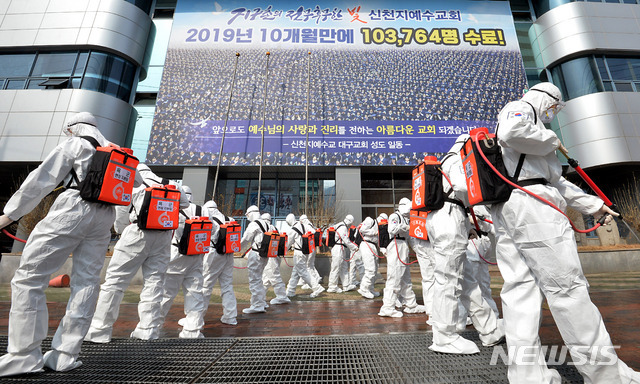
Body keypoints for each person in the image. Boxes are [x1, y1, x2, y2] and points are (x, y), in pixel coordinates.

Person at [492, 82, 639, 383]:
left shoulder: (532, 135)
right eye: (556, 108)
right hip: (533, 210)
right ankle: (605, 375)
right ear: (548, 99)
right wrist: (552, 138)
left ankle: (526, 375)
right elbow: (511, 132)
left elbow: (555, 182)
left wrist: (595, 205)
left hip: (516, 206)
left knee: (521, 291)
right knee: (568, 289)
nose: (553, 114)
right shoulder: (522, 109)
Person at [0, 112, 129, 375]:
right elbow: (132, 188)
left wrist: (10, 214)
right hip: (104, 215)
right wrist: (120, 227)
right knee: (87, 282)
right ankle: (65, 354)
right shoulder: (117, 154)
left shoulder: (75, 144)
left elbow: (40, 180)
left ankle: (24, 354)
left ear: (72, 128)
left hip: (73, 207)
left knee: (28, 278)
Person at [85, 164, 189, 342]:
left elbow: (121, 216)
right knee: (155, 282)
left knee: (115, 281)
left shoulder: (134, 185)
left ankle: (100, 330)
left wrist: (121, 231)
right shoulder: (173, 184)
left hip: (137, 232)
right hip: (163, 236)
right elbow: (185, 204)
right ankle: (148, 329)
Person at [424, 135, 504, 354]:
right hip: (449, 217)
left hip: (450, 217)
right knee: (448, 279)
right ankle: (444, 336)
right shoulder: (458, 159)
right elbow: (461, 186)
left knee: (467, 281)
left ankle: (489, 329)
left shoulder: (447, 159)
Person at [158, 186, 207, 338]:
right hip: (196, 255)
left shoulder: (173, 206)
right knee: (195, 293)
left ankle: (153, 326)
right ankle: (192, 331)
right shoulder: (203, 210)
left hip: (176, 254)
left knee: (166, 293)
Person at [378, 198, 424, 318]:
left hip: (403, 246)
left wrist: (419, 251)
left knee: (405, 278)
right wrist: (405, 227)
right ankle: (387, 307)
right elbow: (391, 229)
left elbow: (411, 238)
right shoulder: (395, 216)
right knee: (395, 276)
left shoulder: (406, 219)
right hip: (396, 245)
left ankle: (411, 304)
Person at [200, 200, 237, 325]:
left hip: (213, 254)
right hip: (228, 254)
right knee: (227, 285)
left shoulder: (207, 219)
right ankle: (230, 316)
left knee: (206, 285)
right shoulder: (229, 219)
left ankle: (197, 318)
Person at [238, 205, 270, 314]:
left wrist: (235, 248)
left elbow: (246, 239)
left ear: (251, 213)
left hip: (256, 254)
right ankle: (261, 302)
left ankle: (257, 305)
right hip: (265, 255)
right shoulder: (267, 224)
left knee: (254, 280)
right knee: (259, 279)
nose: (247, 217)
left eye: (247, 215)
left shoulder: (254, 224)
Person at [285, 214, 325, 298]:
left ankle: (317, 288)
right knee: (295, 272)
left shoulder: (293, 230)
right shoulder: (304, 225)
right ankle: (290, 291)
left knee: (303, 272)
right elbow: (313, 233)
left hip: (299, 253)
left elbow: (287, 244)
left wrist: (283, 251)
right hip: (306, 251)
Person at [261, 212, 291, 306]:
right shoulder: (275, 228)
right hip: (275, 255)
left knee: (274, 276)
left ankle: (282, 296)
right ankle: (260, 297)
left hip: (270, 257)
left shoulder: (264, 228)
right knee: (266, 278)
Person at [327, 215, 358, 293]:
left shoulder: (339, 225)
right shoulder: (342, 227)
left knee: (344, 267)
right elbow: (346, 240)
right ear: (350, 221)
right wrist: (354, 247)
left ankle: (346, 285)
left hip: (340, 248)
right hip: (338, 249)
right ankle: (332, 286)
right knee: (336, 267)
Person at [407, 236, 436, 318]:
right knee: (442, 279)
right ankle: (435, 313)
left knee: (428, 280)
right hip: (432, 242)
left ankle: (431, 313)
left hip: (420, 242)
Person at [357, 216, 380, 299]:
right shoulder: (370, 220)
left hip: (373, 245)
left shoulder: (379, 226)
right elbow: (362, 230)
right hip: (366, 244)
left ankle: (370, 288)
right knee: (370, 269)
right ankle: (364, 288)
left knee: (375, 269)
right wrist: (374, 232)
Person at [299, 214, 322, 288]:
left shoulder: (307, 226)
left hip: (310, 247)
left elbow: (312, 233)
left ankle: (311, 281)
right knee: (310, 265)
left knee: (308, 265)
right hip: (312, 247)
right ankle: (316, 277)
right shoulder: (311, 225)